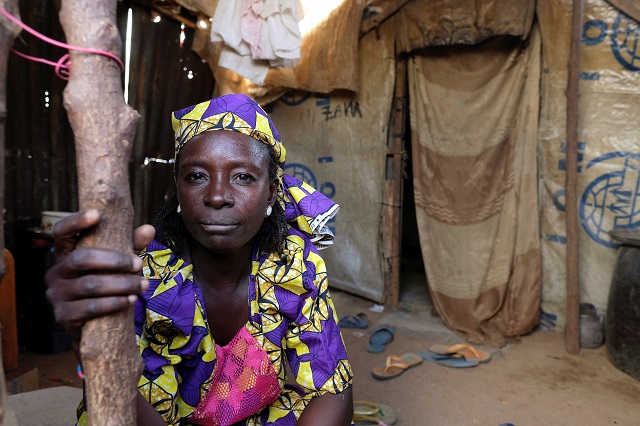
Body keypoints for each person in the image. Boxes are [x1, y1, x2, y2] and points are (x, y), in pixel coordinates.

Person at [45, 94, 354, 425]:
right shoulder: (141, 273)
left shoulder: (293, 262)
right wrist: (90, 345)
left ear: (271, 193)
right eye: (197, 176)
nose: (217, 196)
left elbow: (332, 388)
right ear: (177, 187)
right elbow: (118, 399)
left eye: (243, 176)